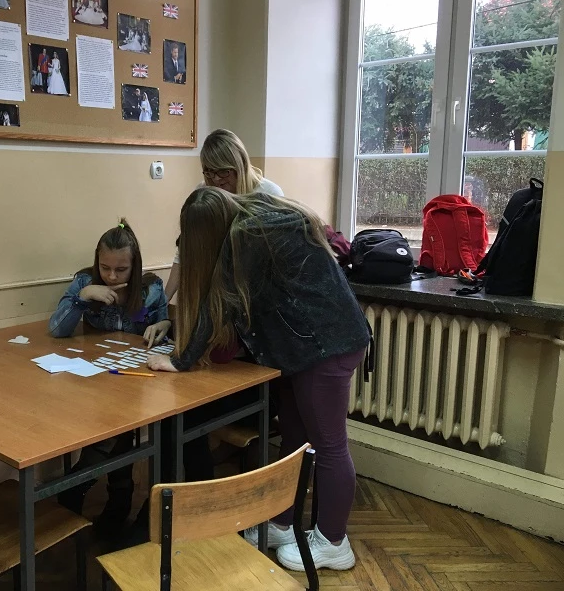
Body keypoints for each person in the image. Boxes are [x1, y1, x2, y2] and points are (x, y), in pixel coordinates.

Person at [147, 187, 371, 572]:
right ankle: (282, 524)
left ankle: (334, 541)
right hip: (306, 346)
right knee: (295, 437)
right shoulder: (254, 213)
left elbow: (218, 302)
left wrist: (180, 360)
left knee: (329, 445)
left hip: (326, 346)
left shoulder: (244, 234)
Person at [49, 219, 169, 531]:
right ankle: (112, 500)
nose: (112, 276)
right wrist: (82, 296)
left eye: (121, 269)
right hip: (92, 380)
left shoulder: (150, 288)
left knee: (120, 424)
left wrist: (165, 325)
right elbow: (57, 329)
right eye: (105, 268)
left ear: (135, 266)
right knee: (114, 428)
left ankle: (83, 486)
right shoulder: (84, 281)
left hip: (133, 380)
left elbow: (163, 328)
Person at [164, 129, 284, 303]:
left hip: (257, 290)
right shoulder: (204, 193)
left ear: (240, 165)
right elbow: (186, 249)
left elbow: (277, 255)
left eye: (223, 171)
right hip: (216, 288)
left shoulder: (269, 194)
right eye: (209, 172)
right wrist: (165, 298)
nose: (216, 180)